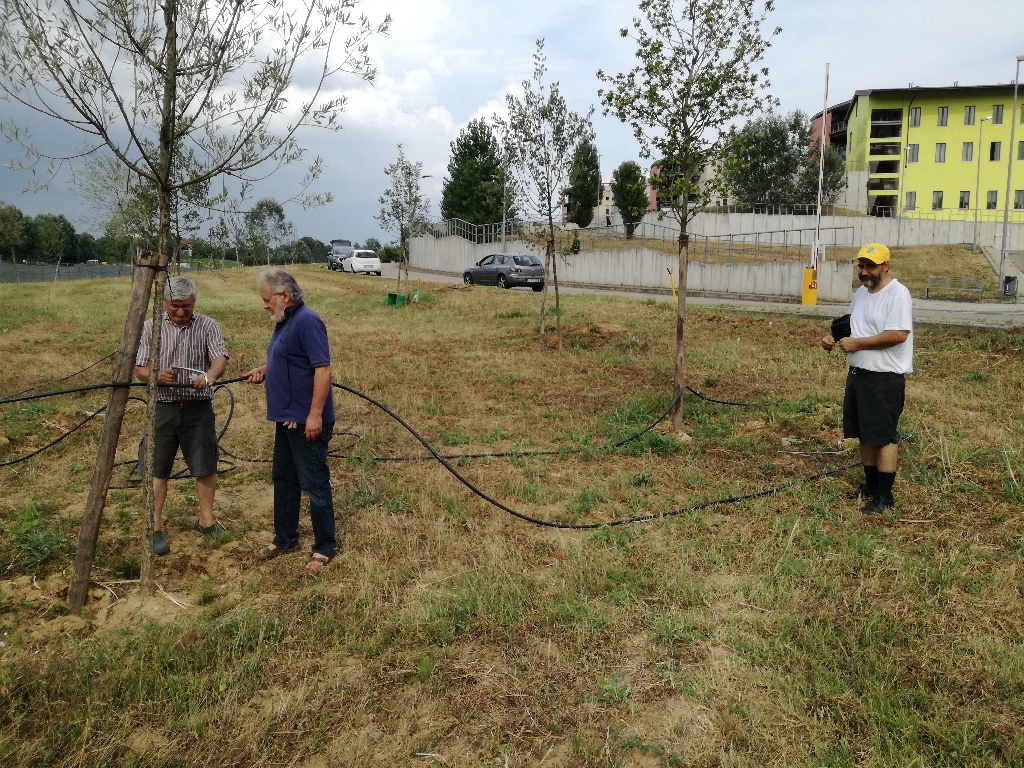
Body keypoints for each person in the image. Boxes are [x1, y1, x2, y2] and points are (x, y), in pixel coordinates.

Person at [244, 268, 336, 570]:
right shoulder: (285, 321)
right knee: (283, 479)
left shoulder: (307, 321)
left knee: (313, 483)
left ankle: (324, 546)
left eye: (267, 300)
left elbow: (322, 369)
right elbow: (285, 358)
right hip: (285, 419)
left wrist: (314, 415)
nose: (265, 305)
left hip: (305, 421)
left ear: (285, 296)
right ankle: (285, 538)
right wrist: (264, 369)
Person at [135, 276, 229, 555]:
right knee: (156, 468)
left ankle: (206, 521)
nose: (180, 312)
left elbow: (220, 359)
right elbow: (139, 368)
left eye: (186, 306)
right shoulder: (151, 327)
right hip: (162, 409)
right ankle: (154, 528)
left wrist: (209, 376)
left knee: (205, 465)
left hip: (197, 410)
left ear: (194, 302)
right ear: (165, 302)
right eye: (175, 306)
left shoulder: (208, 325)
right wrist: (155, 375)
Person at [821, 243, 913, 515]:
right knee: (864, 434)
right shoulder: (861, 292)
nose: (864, 271)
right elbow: (853, 324)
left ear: (886, 266)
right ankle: (871, 486)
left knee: (884, 438)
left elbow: (898, 335)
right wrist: (834, 337)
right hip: (859, 375)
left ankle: (885, 497)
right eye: (861, 266)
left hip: (884, 378)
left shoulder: (898, 294)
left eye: (870, 266)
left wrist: (858, 344)